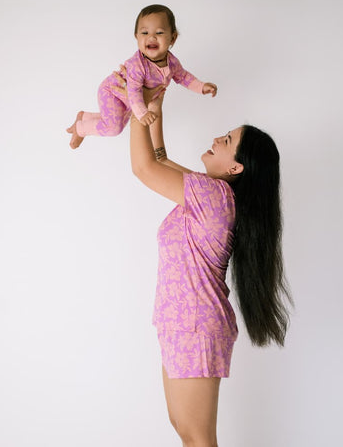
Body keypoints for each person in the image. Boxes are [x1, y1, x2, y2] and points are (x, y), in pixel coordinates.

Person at [113, 71, 292, 446]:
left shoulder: (215, 198)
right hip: (180, 323)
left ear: (236, 168)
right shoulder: (208, 192)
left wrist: (136, 104)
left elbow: (143, 168)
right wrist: (155, 103)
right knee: (184, 429)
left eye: (226, 141)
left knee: (197, 437)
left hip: (194, 326)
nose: (215, 139)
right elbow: (159, 158)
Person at [66, 4, 217, 149]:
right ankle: (80, 129)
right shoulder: (137, 65)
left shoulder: (172, 62)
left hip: (130, 98)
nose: (151, 37)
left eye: (159, 33)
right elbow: (133, 92)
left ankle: (85, 117)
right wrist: (143, 113)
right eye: (145, 33)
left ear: (172, 38)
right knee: (114, 128)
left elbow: (183, 77)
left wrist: (202, 87)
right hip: (112, 91)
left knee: (119, 121)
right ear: (136, 37)